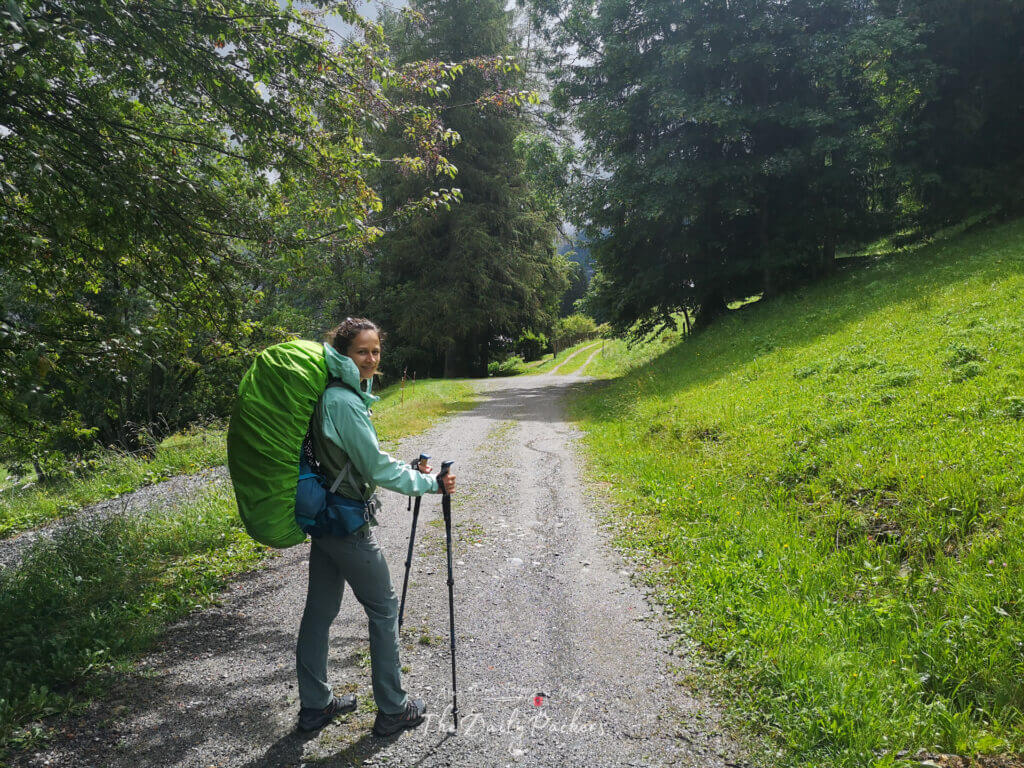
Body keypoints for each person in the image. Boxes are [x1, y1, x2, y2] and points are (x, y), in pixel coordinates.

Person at [294, 317, 456, 735]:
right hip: (348, 525)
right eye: (362, 352)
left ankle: (316, 707)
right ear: (343, 354)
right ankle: (393, 708)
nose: (370, 359)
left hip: (325, 518)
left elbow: (356, 457)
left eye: (375, 351)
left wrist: (406, 468)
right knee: (384, 610)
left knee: (320, 613)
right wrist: (430, 483)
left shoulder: (337, 394)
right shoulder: (344, 402)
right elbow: (372, 466)